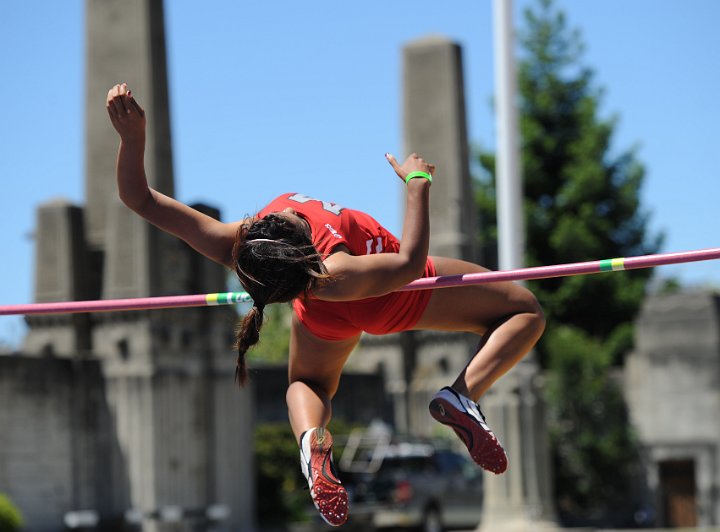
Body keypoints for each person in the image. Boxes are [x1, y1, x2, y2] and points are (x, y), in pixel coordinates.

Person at [106, 83, 545, 527]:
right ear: (297, 244)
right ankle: (460, 396)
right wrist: (417, 182)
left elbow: (140, 199)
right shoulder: (332, 266)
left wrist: (132, 140)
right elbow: (410, 263)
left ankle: (312, 440)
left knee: (309, 385)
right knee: (523, 310)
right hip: (387, 295)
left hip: (320, 313)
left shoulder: (242, 242)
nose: (270, 215)